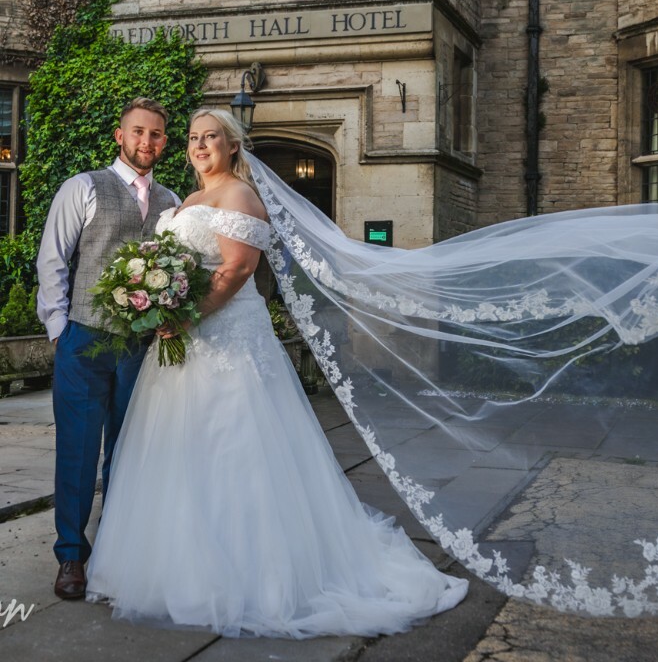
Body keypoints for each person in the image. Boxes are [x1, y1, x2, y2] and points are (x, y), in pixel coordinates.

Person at [85, 108, 469, 637]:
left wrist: (185, 315)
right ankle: (175, 566)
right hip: (180, 344)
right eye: (194, 138)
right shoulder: (188, 201)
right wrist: (159, 308)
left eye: (211, 138)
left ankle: (249, 576)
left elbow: (237, 269)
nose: (200, 147)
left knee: (234, 444)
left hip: (225, 341)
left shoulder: (240, 197)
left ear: (233, 146)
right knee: (177, 448)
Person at [36, 98, 180, 601]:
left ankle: (118, 550)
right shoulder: (83, 187)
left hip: (142, 345)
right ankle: (71, 555)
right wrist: (59, 329)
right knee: (77, 449)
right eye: (138, 132)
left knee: (129, 448)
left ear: (165, 141)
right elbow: (53, 259)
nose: (147, 142)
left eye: (157, 135)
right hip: (85, 337)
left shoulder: (172, 201)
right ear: (119, 136)